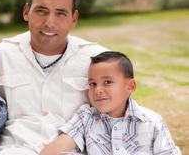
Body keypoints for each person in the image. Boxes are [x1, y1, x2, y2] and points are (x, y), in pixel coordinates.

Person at [0, 0, 107, 155]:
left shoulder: (97, 58)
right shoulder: (0, 55)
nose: (49, 23)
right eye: (41, 11)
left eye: (60, 13)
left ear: (73, 18)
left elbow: (121, 114)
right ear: (26, 12)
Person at [39, 51, 181, 155]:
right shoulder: (86, 117)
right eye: (92, 84)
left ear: (130, 87)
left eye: (107, 82)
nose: (98, 90)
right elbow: (57, 148)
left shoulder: (151, 121)